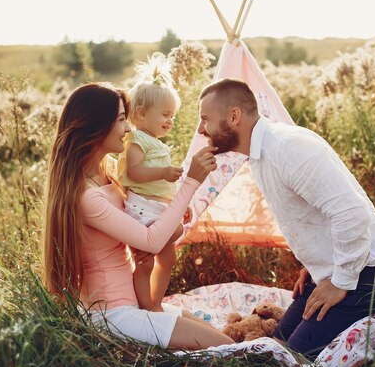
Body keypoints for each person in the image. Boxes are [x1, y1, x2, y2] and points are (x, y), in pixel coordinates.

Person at [197, 78, 375, 356]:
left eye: (205, 119)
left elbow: (351, 213)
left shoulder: (287, 147)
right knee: (280, 338)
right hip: (335, 267)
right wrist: (316, 264)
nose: (202, 129)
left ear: (234, 116)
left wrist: (339, 282)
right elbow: (313, 214)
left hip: (372, 271)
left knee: (291, 357)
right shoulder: (260, 154)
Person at [43, 82, 233, 350]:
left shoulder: (106, 177)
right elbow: (151, 241)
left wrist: (170, 217)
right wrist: (190, 182)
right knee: (234, 351)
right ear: (96, 126)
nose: (128, 128)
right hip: (113, 316)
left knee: (227, 341)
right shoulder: (86, 197)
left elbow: (147, 228)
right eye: (121, 120)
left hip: (132, 304)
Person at [117, 54, 185, 312]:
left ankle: (156, 302)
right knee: (145, 261)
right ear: (142, 113)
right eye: (166, 114)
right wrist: (164, 172)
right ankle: (145, 305)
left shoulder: (155, 142)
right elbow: (134, 173)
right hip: (143, 208)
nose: (170, 120)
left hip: (159, 208)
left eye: (173, 116)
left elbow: (164, 187)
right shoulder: (136, 140)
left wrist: (175, 203)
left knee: (168, 258)